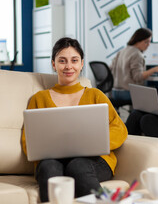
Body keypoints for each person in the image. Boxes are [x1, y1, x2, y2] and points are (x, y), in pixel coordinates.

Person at [21, 37, 128, 202]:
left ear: (82, 63)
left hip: (94, 161)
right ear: (53, 64)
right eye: (62, 61)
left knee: (77, 165)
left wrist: (95, 143)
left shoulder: (95, 95)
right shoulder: (39, 99)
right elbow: (28, 139)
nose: (68, 66)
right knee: (49, 167)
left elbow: (119, 129)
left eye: (74, 60)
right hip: (53, 161)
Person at [110, 28, 158, 101]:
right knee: (154, 93)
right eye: (146, 42)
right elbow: (138, 77)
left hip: (115, 92)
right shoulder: (137, 54)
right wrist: (155, 69)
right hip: (128, 93)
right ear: (137, 41)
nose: (148, 45)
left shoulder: (122, 51)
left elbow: (110, 68)